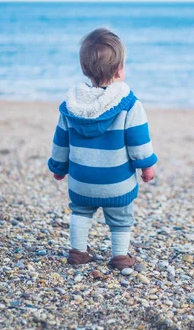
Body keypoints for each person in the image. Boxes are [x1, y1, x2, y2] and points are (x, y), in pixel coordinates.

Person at [48, 28, 157, 270]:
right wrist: (147, 166)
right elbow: (139, 142)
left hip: (81, 181)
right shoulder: (129, 104)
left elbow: (60, 142)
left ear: (85, 69)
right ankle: (119, 257)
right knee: (120, 219)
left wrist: (58, 167)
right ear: (119, 70)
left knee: (80, 212)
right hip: (116, 182)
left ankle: (78, 252)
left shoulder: (71, 106)